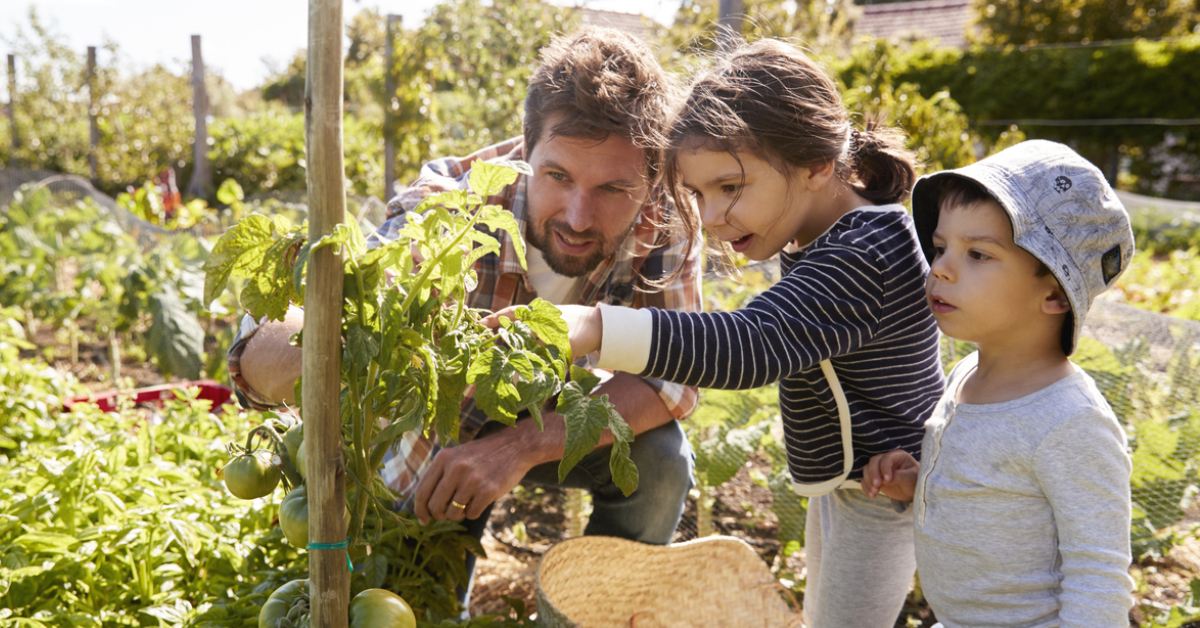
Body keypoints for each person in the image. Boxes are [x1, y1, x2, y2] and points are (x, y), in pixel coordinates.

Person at [227, 27, 703, 608]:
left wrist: (522, 446)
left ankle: (593, 612)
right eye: (558, 177)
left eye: (613, 188)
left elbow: (672, 378)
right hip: (441, 441)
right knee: (417, 597)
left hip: (556, 416)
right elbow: (276, 348)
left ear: (652, 177)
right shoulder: (451, 206)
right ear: (526, 147)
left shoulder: (669, 220)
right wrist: (302, 344)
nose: (579, 216)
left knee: (660, 462)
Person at [491, 39, 948, 628]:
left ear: (816, 165)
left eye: (730, 188)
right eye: (699, 193)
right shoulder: (827, 238)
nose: (709, 217)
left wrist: (594, 326)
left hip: (887, 489)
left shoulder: (865, 251)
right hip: (860, 485)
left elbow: (750, 346)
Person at [862, 140, 1135, 627]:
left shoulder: (1071, 422)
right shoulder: (968, 374)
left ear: (1053, 291)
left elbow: (1099, 576)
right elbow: (995, 489)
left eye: (979, 255)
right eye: (942, 247)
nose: (940, 268)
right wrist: (921, 480)